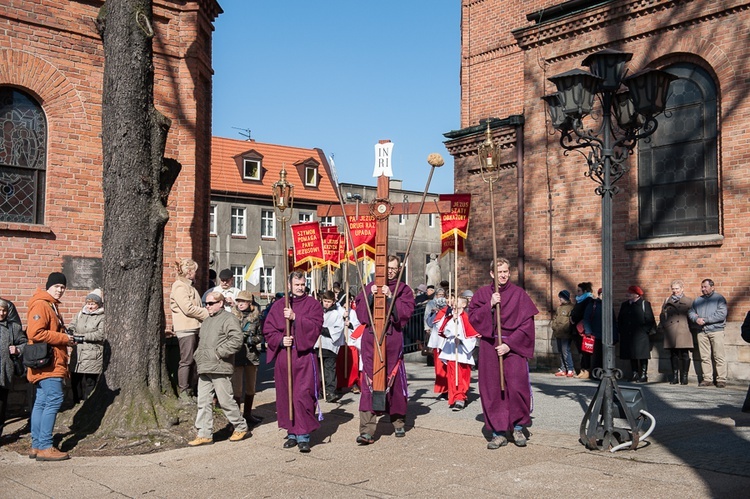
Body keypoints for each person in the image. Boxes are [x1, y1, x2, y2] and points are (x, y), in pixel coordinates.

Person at [467, 258, 538, 449]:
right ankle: (498, 432)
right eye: (499, 272)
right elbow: (472, 318)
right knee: (492, 389)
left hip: (513, 348)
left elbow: (527, 325)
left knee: (516, 387)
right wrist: (489, 304)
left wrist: (510, 344)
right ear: (492, 274)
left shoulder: (519, 294)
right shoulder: (483, 294)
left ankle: (517, 427)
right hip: (490, 346)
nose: (503, 275)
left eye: (506, 271)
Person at [354, 255, 415, 444]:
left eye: (393, 268)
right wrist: (371, 296)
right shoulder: (369, 286)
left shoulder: (403, 289)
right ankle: (367, 430)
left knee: (394, 382)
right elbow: (361, 314)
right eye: (387, 267)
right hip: (371, 339)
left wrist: (391, 297)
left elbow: (406, 313)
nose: (389, 271)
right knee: (369, 382)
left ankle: (397, 421)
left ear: (398, 270)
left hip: (392, 340)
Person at [263, 271, 324, 453]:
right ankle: (291, 433)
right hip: (285, 356)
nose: (300, 287)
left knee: (302, 395)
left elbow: (316, 327)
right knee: (286, 395)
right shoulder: (279, 305)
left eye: (302, 284)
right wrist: (281, 341)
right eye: (296, 284)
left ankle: (303, 434)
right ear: (289, 285)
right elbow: (268, 330)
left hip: (304, 356)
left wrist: (296, 318)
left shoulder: (313, 305)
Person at [188, 292, 249, 446]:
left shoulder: (229, 318)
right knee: (203, 402)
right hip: (205, 366)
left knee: (225, 401)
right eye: (205, 303)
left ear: (220, 303)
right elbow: (203, 342)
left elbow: (237, 339)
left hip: (220, 366)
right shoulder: (207, 321)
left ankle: (241, 426)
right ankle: (204, 434)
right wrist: (199, 355)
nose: (207, 306)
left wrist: (219, 353)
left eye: (210, 303)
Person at [27, 272, 75, 461]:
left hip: (49, 362)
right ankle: (46, 445)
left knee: (41, 402)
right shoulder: (41, 304)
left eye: (63, 287)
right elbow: (35, 332)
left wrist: (66, 339)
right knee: (54, 400)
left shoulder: (50, 305)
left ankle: (36, 445)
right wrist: (63, 338)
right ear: (48, 287)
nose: (60, 290)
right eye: (57, 287)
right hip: (49, 364)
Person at [169, 258, 209, 403]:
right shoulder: (180, 286)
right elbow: (187, 308)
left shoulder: (190, 287)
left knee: (195, 360)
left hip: (195, 328)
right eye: (194, 270)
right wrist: (207, 313)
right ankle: (184, 390)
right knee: (187, 360)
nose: (196, 273)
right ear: (189, 271)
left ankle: (192, 389)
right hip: (186, 329)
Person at [437, 295, 479, 411]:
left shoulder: (467, 318)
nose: (454, 303)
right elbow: (443, 330)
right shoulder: (451, 316)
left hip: (462, 352)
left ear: (464, 305)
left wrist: (461, 341)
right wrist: (451, 319)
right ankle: (455, 397)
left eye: (457, 301)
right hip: (451, 350)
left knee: (462, 376)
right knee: (452, 376)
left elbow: (471, 336)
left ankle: (461, 397)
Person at [689, 279, 728, 387]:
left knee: (719, 356)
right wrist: (696, 319)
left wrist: (705, 320)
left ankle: (721, 379)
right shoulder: (698, 300)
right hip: (701, 331)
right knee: (704, 357)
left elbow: (721, 314)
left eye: (705, 287)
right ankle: (707, 379)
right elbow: (691, 312)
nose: (703, 289)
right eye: (702, 287)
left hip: (716, 331)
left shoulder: (719, 299)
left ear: (712, 287)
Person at [231, 290, 263, 426]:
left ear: (249, 302)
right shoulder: (232, 317)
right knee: (236, 388)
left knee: (250, 387)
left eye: (243, 301)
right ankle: (236, 418)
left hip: (251, 355)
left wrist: (253, 339)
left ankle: (248, 414)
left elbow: (261, 335)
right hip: (236, 355)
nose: (240, 304)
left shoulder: (256, 318)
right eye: (238, 301)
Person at [68, 289, 105, 403]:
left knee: (90, 381)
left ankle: (88, 404)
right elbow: (72, 325)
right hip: (78, 354)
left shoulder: (102, 316)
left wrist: (82, 337)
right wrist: (70, 332)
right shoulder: (80, 314)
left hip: (93, 355)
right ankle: (76, 402)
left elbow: (100, 334)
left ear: (98, 304)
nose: (90, 306)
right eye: (88, 303)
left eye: (93, 304)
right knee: (75, 380)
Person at [658, 279, 695, 385]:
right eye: (673, 289)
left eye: (677, 288)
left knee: (684, 354)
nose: (675, 291)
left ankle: (684, 376)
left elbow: (692, 314)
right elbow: (662, 314)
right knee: (673, 354)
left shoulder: (689, 301)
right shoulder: (667, 300)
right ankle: (674, 376)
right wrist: (664, 324)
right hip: (671, 330)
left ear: (682, 288)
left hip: (684, 329)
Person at [617, 285, 656, 383]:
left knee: (642, 355)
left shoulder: (644, 304)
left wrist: (644, 330)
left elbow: (650, 319)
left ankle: (643, 374)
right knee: (632, 354)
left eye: (631, 293)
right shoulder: (625, 305)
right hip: (628, 334)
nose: (628, 294)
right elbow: (620, 318)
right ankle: (634, 373)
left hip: (641, 335)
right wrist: (622, 330)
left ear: (637, 295)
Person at [1, 298, 26, 442]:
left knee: (1, 406)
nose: (2, 313)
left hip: (4, 373)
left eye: (4, 310)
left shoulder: (13, 328)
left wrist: (17, 349)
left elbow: (24, 343)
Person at [316, 290, 345, 403]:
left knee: (329, 370)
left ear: (333, 302)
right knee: (319, 370)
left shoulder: (336, 314)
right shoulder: (319, 312)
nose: (326, 304)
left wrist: (322, 329)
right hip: (318, 345)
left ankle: (330, 391)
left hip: (330, 345)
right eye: (325, 301)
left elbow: (337, 330)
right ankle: (320, 390)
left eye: (329, 301)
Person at [425, 287, 448, 399]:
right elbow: (429, 322)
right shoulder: (432, 306)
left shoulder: (449, 310)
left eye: (442, 294)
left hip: (447, 342)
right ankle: (443, 389)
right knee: (439, 368)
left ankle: (449, 388)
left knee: (447, 367)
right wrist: (434, 313)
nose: (441, 296)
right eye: (439, 294)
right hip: (437, 342)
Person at [570, 282, 595, 379]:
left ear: (585, 291)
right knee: (581, 350)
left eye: (579, 291)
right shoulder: (579, 300)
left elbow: (585, 314)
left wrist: (574, 318)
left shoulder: (588, 300)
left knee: (586, 350)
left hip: (583, 329)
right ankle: (582, 370)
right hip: (576, 329)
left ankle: (586, 370)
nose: (577, 293)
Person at [549, 290, 575, 377]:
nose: (560, 299)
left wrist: (565, 328)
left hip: (566, 333)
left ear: (565, 298)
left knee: (566, 351)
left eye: (561, 297)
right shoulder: (559, 308)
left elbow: (570, 321)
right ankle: (563, 368)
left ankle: (570, 369)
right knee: (560, 351)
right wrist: (554, 326)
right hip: (558, 333)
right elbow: (555, 319)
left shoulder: (571, 307)